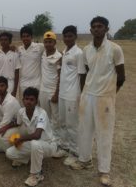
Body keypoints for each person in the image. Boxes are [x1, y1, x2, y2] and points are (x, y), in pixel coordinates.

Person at [70, 16, 125, 186]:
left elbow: (121, 77)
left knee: (104, 135)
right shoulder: (86, 50)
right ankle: (85, 160)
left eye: (100, 26)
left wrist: (110, 94)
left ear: (106, 29)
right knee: (84, 130)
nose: (96, 29)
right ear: (90, 29)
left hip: (105, 98)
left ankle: (104, 171)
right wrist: (84, 93)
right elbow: (84, 74)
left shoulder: (115, 49)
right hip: (88, 96)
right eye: (93, 26)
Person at [4, 87, 59, 186]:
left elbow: (37, 135)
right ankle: (30, 159)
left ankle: (36, 174)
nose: (28, 102)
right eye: (26, 99)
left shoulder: (42, 113)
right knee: (9, 153)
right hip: (33, 144)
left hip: (48, 145)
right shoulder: (21, 112)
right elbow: (17, 123)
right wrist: (4, 128)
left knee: (35, 144)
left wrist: (21, 139)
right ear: (23, 100)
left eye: (31, 99)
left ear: (36, 101)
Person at [58, 25, 86, 166]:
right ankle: (64, 146)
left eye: (70, 36)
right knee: (62, 122)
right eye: (65, 36)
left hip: (72, 95)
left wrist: (80, 95)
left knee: (72, 125)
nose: (67, 38)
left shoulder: (78, 53)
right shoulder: (65, 51)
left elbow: (82, 75)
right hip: (63, 93)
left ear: (75, 36)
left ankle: (75, 153)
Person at [38, 31, 63, 148]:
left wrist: (56, 93)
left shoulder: (59, 57)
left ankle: (57, 143)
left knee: (56, 119)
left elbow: (60, 76)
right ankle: (47, 140)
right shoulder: (43, 54)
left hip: (53, 91)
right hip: (43, 90)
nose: (48, 44)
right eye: (46, 42)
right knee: (44, 116)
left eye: (50, 42)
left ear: (55, 42)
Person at [18, 26, 44, 104]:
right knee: (24, 107)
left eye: (27, 36)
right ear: (21, 38)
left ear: (31, 37)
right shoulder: (19, 49)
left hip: (36, 84)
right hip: (23, 84)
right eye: (23, 36)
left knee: (36, 107)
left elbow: (51, 49)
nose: (25, 38)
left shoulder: (39, 47)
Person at [0, 32, 21, 96]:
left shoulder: (15, 54)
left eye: (5, 40)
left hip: (10, 83)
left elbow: (17, 73)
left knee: (8, 103)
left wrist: (15, 90)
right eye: (1, 40)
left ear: (10, 41)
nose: (3, 42)